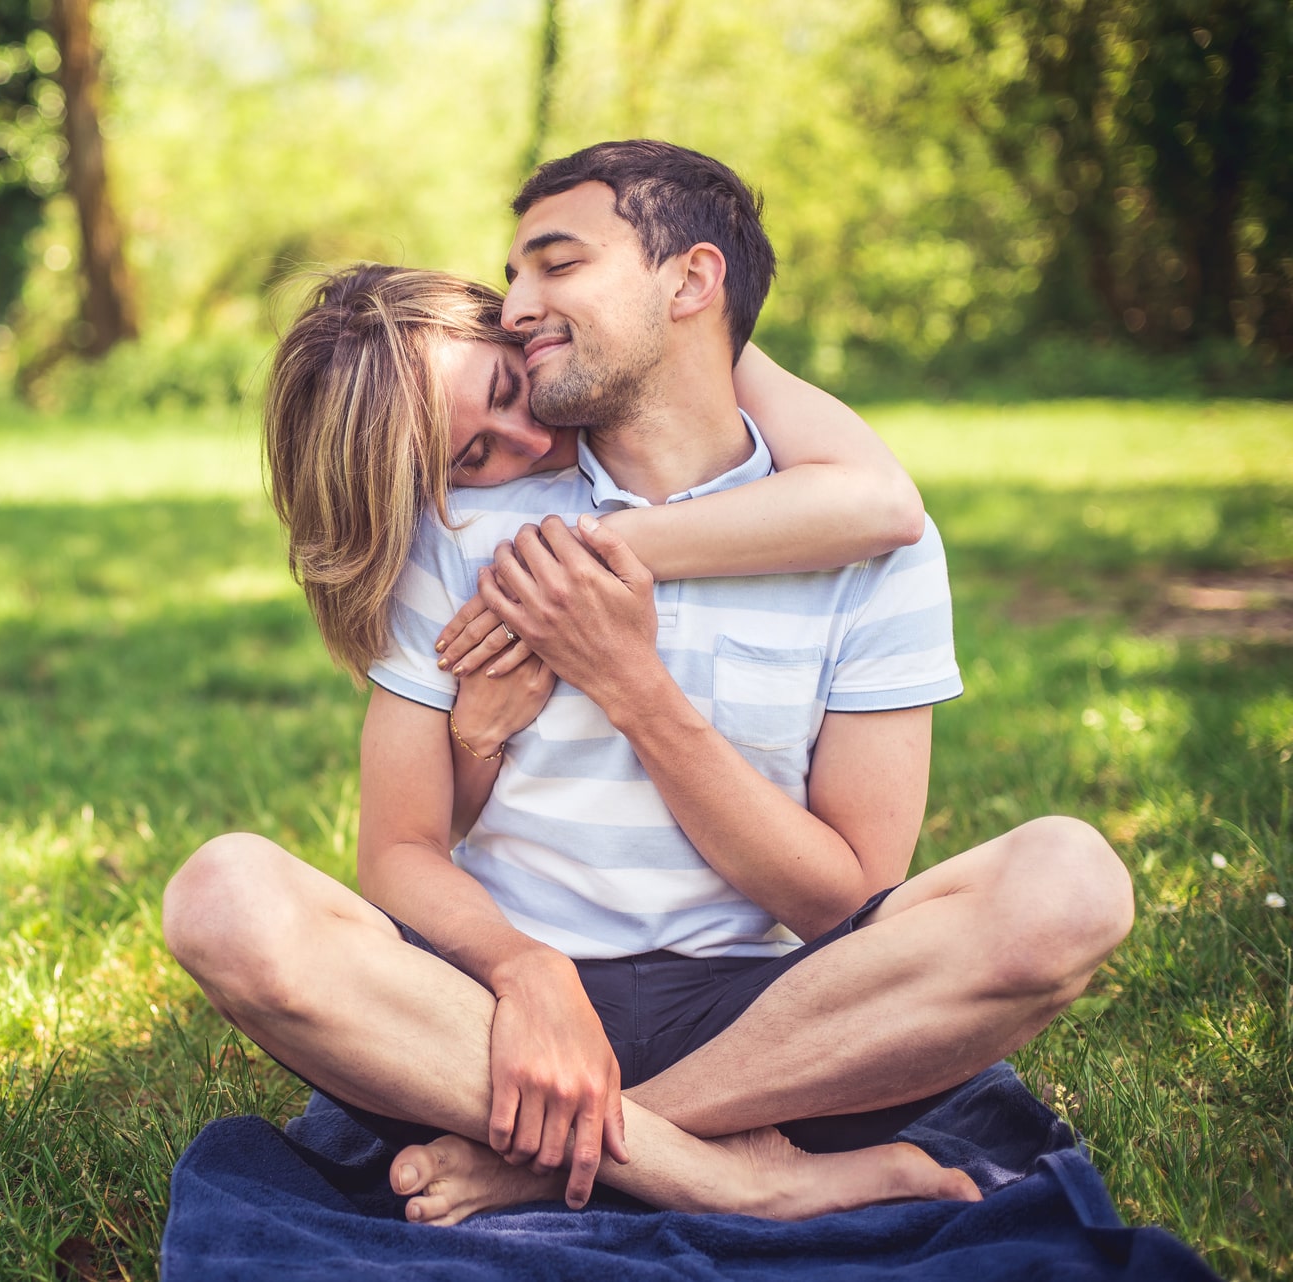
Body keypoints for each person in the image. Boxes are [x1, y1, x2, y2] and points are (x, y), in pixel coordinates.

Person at [165, 140, 1133, 1226]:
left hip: (770, 1027)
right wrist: (530, 972)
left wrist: (630, 682)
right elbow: (399, 849)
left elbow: (842, 904)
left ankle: (566, 1161)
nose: (521, 427)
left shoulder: (866, 540)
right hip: (488, 1030)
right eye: (473, 451)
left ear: (689, 280)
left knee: (1071, 885)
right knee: (223, 895)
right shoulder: (461, 531)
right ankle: (727, 1177)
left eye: (557, 268)